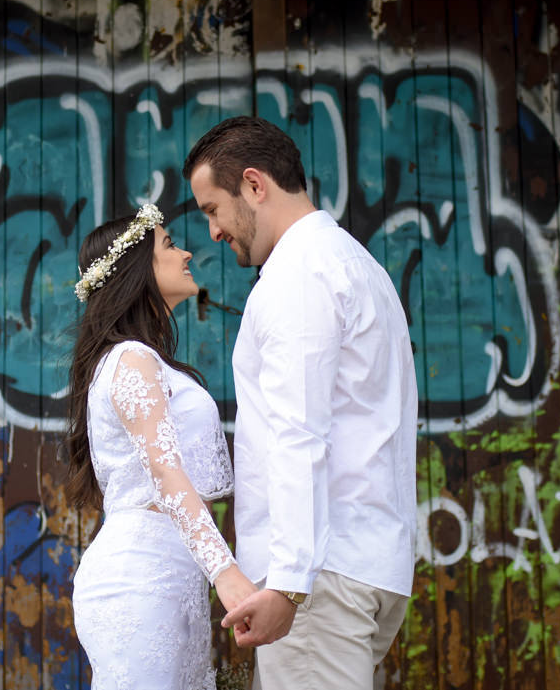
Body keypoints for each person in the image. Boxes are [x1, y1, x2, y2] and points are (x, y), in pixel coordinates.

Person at [183, 116, 418, 690]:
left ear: (254, 185)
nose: (213, 232)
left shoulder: (299, 275)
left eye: (213, 209)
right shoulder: (357, 264)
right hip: (360, 561)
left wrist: (288, 584)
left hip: (317, 579)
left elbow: (298, 431)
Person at [66, 203, 257, 690]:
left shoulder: (146, 359)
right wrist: (226, 573)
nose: (186, 253)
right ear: (136, 271)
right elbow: (168, 476)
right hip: (139, 579)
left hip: (173, 577)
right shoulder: (131, 359)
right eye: (169, 245)